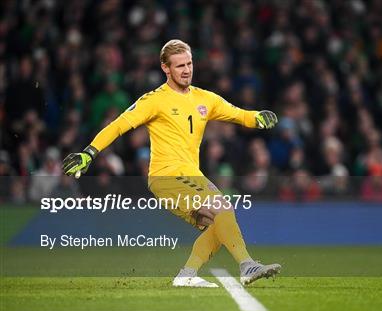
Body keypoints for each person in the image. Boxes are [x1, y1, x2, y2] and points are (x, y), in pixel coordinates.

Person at [62, 39, 280, 287]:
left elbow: (238, 114)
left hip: (191, 176)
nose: (187, 70)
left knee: (219, 224)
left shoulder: (204, 99)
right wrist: (89, 153)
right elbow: (118, 125)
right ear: (166, 68)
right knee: (222, 207)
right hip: (166, 176)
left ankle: (186, 275)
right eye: (179, 66)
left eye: (189, 64)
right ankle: (247, 265)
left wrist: (258, 118)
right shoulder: (154, 100)